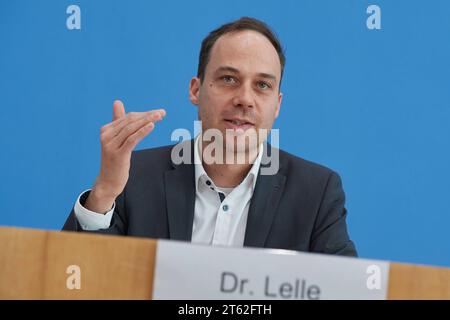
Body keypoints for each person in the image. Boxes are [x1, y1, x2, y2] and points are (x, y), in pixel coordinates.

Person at [63, 17, 357, 256]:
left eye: (262, 85)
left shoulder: (317, 193)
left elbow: (347, 291)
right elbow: (71, 279)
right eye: (229, 79)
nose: (245, 99)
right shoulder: (133, 177)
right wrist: (104, 193)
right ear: (196, 90)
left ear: (277, 104)